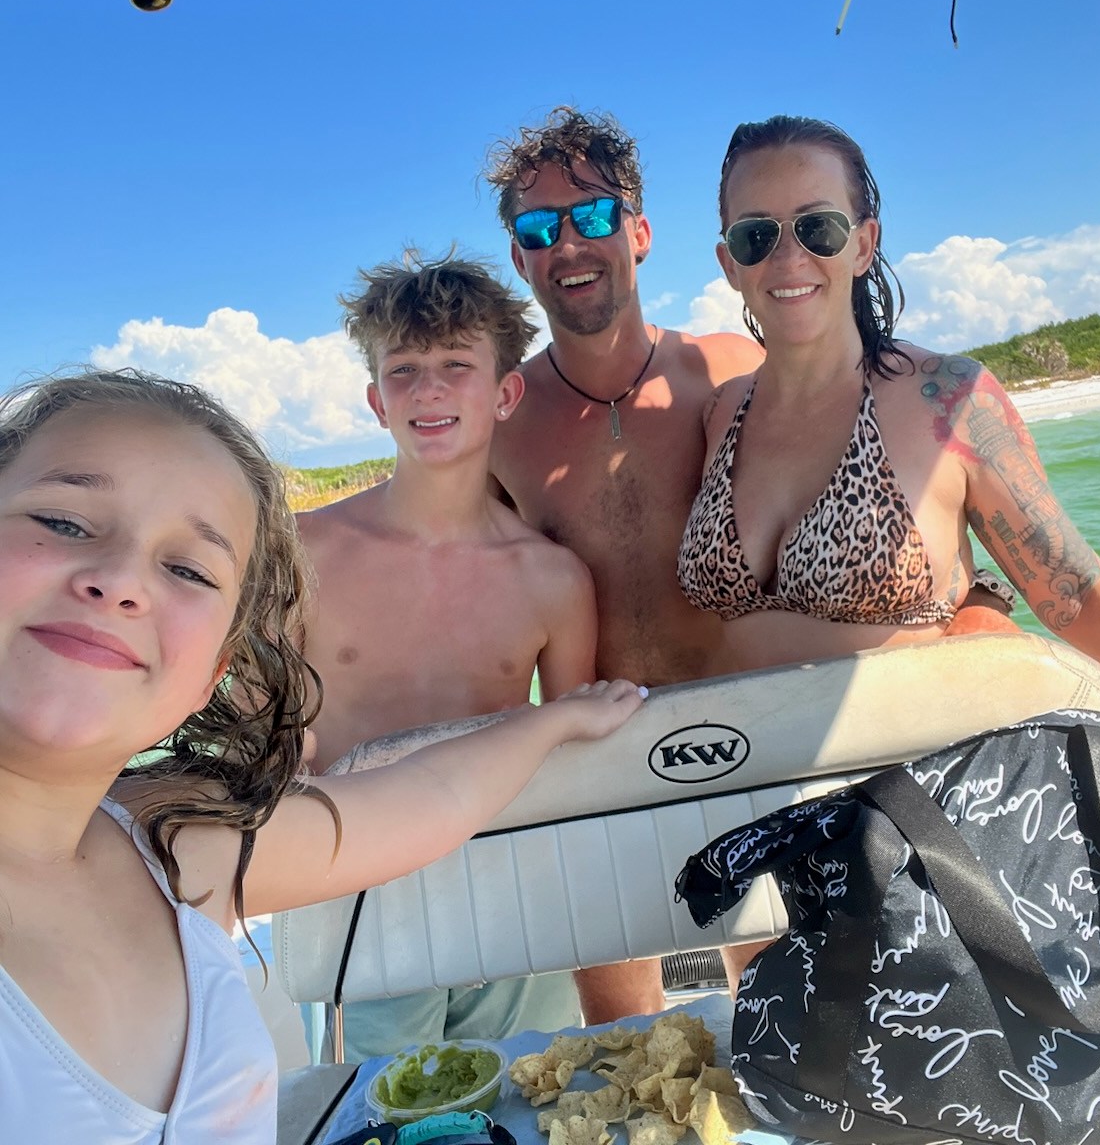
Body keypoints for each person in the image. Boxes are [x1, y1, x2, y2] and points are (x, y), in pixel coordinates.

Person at [0, 368, 644, 1141]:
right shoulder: (187, 852)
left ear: (215, 669)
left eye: (187, 570)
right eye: (65, 522)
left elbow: (423, 799)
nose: (120, 581)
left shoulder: (173, 847)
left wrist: (552, 723)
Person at [676, 113, 1100, 701]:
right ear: (729, 265)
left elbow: (1077, 598)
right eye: (757, 235)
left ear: (862, 245)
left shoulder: (951, 398)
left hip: (900, 771)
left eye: (817, 227)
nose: (788, 256)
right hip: (740, 770)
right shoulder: (720, 413)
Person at [484, 108, 765, 1021]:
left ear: (639, 231)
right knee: (620, 1035)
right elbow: (456, 590)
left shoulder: (731, 369)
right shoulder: (501, 424)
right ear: (520, 260)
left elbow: (858, 483)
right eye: (538, 229)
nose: (569, 241)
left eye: (594, 215)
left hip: (753, 732)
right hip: (596, 752)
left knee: (776, 999)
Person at [298, 255, 599, 1058]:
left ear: (505, 392)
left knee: (531, 1097)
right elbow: (264, 730)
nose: (429, 390)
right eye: (405, 370)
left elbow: (573, 764)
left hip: (511, 888)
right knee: (376, 1110)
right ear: (376, 400)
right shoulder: (306, 553)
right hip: (354, 890)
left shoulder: (553, 579)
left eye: (456, 366)